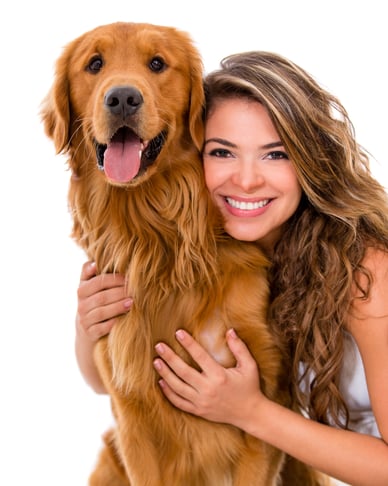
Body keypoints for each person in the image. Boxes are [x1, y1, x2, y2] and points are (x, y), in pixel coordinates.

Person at [75, 51, 388, 485]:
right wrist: (88, 326)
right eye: (222, 152)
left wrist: (251, 412)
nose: (245, 179)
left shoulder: (367, 271)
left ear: (312, 162)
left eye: (275, 155)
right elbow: (112, 384)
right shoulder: (211, 255)